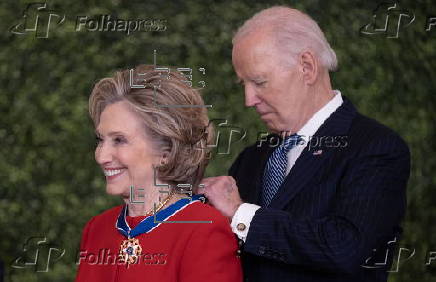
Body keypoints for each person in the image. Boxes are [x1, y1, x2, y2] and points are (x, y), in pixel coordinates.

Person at [198, 6, 410, 282]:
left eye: (259, 81)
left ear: (307, 67)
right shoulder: (252, 157)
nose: (249, 100)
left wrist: (241, 214)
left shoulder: (376, 147)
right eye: (243, 85)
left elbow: (347, 248)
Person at [75, 65, 242, 282]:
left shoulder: (203, 229)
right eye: (101, 140)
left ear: (166, 151)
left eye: (119, 140)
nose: (101, 156)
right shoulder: (97, 228)